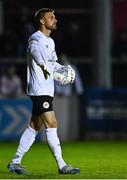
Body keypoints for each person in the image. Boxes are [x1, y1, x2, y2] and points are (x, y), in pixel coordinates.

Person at [7, 8, 80, 175]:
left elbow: (52, 62)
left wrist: (62, 69)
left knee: (34, 126)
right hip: (39, 89)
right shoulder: (35, 38)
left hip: (46, 89)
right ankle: (62, 165)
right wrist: (41, 64)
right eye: (51, 17)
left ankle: (15, 161)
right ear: (42, 21)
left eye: (54, 17)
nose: (55, 19)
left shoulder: (50, 41)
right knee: (52, 123)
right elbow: (35, 52)